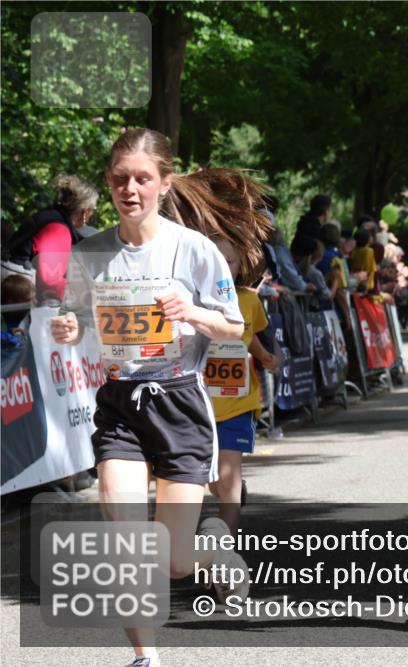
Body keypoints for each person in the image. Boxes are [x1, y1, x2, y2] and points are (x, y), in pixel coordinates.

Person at [49, 128, 270, 667]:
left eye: (142, 179)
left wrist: (190, 311)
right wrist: (69, 330)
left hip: (180, 405)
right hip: (120, 404)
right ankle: (145, 658)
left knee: (173, 562)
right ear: (109, 181)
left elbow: (233, 326)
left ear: (164, 183)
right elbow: (79, 322)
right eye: (120, 178)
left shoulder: (193, 249)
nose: (130, 189)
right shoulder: (90, 253)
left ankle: (212, 551)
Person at [207, 237, 278, 533]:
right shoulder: (190, 301)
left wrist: (266, 357)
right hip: (197, 407)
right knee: (215, 484)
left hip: (237, 405)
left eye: (230, 261)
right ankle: (233, 487)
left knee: (227, 484)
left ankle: (221, 545)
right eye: (215, 259)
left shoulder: (248, 301)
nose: (222, 267)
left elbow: (252, 336)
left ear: (242, 266)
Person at [4, 174, 98, 300]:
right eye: (93, 209)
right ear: (85, 211)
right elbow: (50, 282)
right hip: (16, 298)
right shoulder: (58, 230)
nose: (92, 213)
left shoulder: (49, 216)